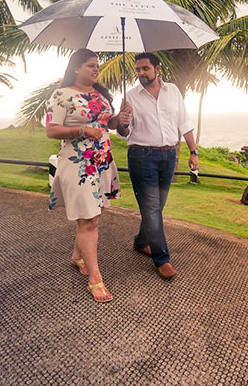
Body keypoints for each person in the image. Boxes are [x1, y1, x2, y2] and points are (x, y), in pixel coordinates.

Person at [45, 49, 132, 302]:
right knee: (90, 220)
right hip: (78, 163)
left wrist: (119, 119)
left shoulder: (101, 95)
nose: (96, 70)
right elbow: (52, 131)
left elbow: (107, 125)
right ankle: (95, 279)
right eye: (90, 65)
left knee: (93, 213)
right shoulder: (61, 95)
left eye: (97, 66)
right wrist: (82, 130)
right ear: (76, 67)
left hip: (102, 161)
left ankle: (77, 256)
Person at [116, 52, 198, 279]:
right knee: (152, 208)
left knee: (157, 206)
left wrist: (193, 152)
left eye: (145, 69)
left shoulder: (173, 91)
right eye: (138, 70)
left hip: (169, 155)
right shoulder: (130, 97)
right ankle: (162, 259)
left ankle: (142, 241)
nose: (141, 73)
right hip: (141, 157)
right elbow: (124, 134)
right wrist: (122, 121)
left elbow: (184, 123)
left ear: (157, 69)